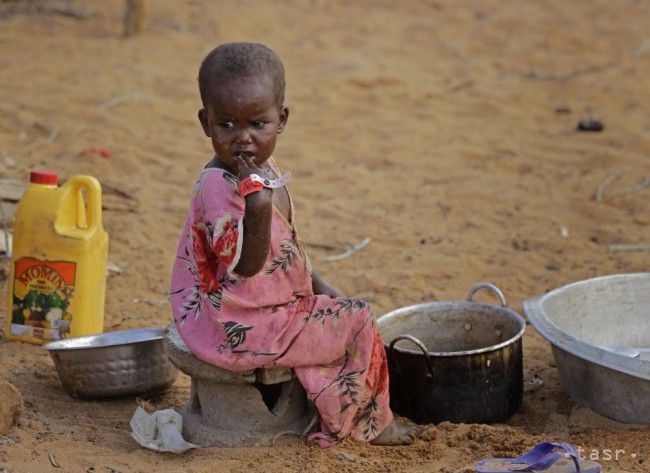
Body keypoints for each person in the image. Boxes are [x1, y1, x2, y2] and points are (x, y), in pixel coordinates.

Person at [170, 42, 418, 447]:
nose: (243, 138)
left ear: (281, 119)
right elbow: (247, 267)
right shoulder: (219, 187)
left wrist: (317, 283)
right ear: (205, 122)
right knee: (359, 320)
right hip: (236, 326)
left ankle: (341, 408)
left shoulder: (262, 171)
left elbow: (282, 252)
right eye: (226, 124)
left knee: (338, 309)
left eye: (257, 124)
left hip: (263, 309)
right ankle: (372, 423)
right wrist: (258, 207)